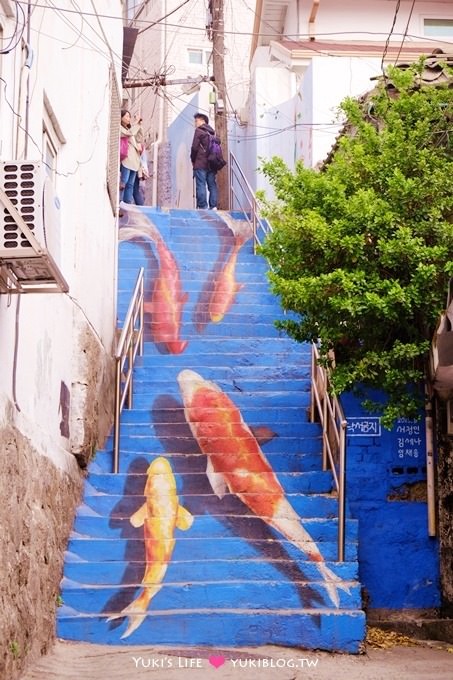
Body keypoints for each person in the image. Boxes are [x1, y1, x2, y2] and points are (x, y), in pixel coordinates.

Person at [190, 112, 218, 210]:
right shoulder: (212, 133)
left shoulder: (199, 131)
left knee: (201, 184)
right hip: (212, 163)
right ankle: (213, 206)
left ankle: (203, 206)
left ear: (202, 121)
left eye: (196, 121)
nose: (195, 123)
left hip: (200, 163)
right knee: (212, 184)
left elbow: (194, 147)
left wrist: (192, 159)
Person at [120, 109, 143, 204]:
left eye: (129, 116)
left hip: (135, 161)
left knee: (131, 184)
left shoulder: (130, 129)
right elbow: (129, 133)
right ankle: (120, 203)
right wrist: (136, 124)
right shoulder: (121, 128)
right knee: (123, 183)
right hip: (126, 160)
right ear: (121, 117)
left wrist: (140, 125)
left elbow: (139, 138)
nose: (129, 118)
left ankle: (127, 204)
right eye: (126, 116)